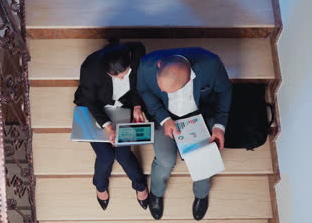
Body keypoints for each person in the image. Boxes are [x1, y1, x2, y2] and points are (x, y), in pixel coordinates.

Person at [137, 47, 232, 220]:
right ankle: (156, 193)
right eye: (162, 88)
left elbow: (224, 91)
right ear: (158, 65)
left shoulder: (212, 64)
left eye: (170, 91)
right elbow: (144, 91)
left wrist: (219, 126)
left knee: (203, 158)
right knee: (164, 160)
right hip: (164, 115)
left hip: (200, 115)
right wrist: (164, 119)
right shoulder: (146, 65)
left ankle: (201, 194)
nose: (164, 92)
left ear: (190, 80)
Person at [73, 41, 149, 211]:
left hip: (125, 106)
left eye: (124, 73)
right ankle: (100, 186)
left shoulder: (137, 52)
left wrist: (137, 105)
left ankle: (140, 185)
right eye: (116, 76)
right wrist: (108, 127)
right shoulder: (89, 68)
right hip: (97, 109)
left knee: (123, 154)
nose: (122, 78)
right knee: (105, 156)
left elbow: (140, 82)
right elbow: (90, 101)